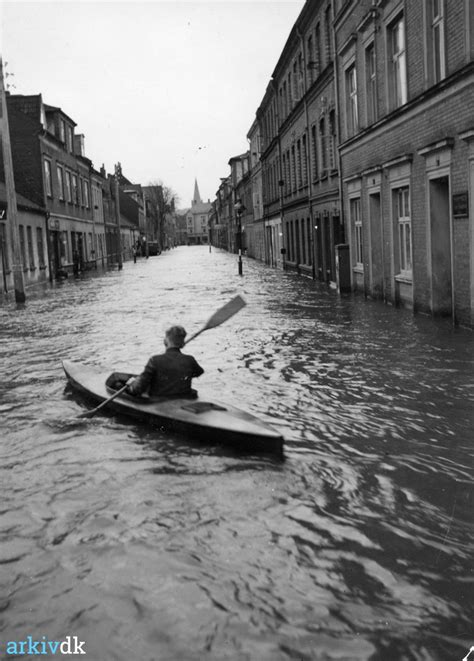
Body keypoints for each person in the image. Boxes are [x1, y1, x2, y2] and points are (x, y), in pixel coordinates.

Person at [127, 325, 204, 398]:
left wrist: (132, 385)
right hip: (184, 398)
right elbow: (199, 372)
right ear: (182, 343)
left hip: (158, 401)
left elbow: (138, 389)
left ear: (166, 340)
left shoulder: (155, 360)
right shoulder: (190, 360)